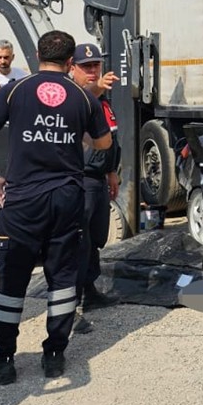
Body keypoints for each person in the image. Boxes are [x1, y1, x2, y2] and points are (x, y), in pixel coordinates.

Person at [0, 31, 111, 384]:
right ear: (70, 62)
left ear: (37, 55)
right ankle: (55, 354)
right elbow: (104, 141)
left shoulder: (16, 89)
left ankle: (3, 359)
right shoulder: (84, 95)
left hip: (22, 201)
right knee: (63, 277)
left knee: (12, 279)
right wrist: (73, 133)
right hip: (66, 198)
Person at [69, 42, 121, 330]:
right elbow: (85, 97)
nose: (92, 71)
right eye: (86, 66)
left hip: (99, 177)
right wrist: (98, 87)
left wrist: (112, 172)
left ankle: (90, 292)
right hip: (81, 177)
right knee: (79, 242)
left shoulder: (102, 98)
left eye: (96, 65)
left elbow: (111, 136)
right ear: (72, 68)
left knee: (96, 240)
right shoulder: (76, 95)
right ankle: (71, 307)